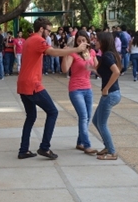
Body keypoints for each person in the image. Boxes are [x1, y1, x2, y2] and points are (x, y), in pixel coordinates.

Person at [16, 17, 87, 160]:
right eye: (48, 30)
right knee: (53, 112)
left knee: (31, 116)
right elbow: (53, 52)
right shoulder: (37, 40)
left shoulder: (29, 40)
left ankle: (23, 150)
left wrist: (65, 50)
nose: (49, 33)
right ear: (41, 29)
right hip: (33, 84)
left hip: (23, 84)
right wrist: (76, 49)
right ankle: (45, 147)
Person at [61, 31, 98, 155]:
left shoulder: (91, 52)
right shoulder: (73, 54)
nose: (81, 43)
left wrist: (92, 61)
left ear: (87, 41)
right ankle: (87, 145)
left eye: (83, 40)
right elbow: (65, 69)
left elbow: (96, 69)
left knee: (88, 117)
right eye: (79, 41)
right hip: (76, 89)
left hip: (88, 88)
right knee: (83, 116)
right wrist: (66, 54)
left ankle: (80, 142)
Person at [92, 32, 122, 160]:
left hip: (110, 94)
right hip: (112, 94)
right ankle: (107, 146)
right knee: (95, 121)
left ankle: (112, 152)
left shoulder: (107, 56)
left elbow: (116, 72)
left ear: (103, 41)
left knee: (102, 124)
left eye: (97, 40)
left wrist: (106, 88)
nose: (95, 42)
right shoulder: (107, 55)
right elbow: (103, 73)